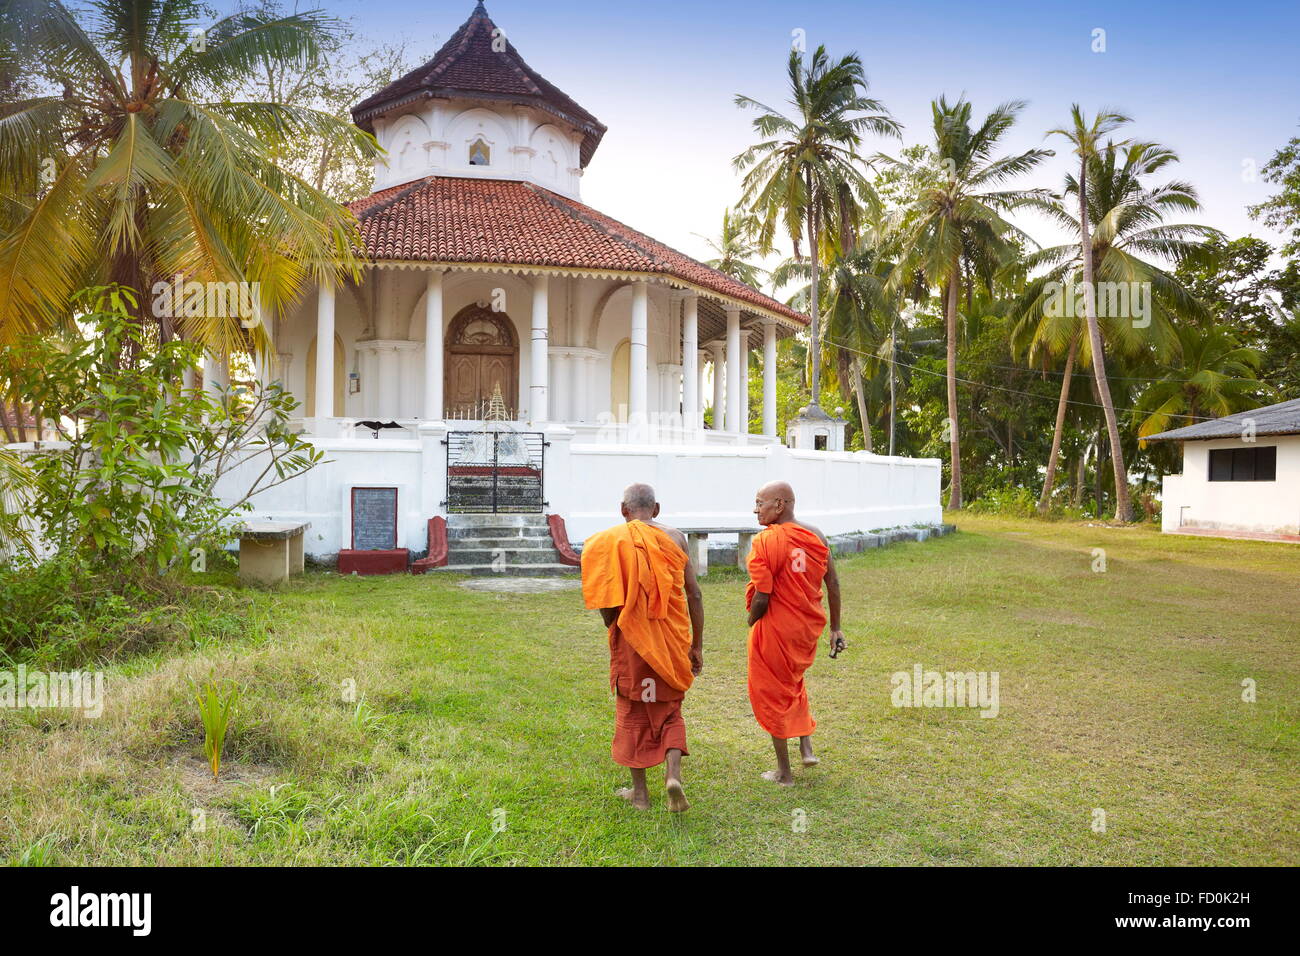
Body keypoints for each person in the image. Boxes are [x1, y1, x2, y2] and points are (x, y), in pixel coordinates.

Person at [581, 483, 704, 810]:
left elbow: (607, 600)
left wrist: (616, 628)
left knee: (634, 711)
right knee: (669, 709)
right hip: (670, 639)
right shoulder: (675, 538)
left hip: (633, 641)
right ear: (657, 509)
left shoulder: (610, 542)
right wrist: (697, 645)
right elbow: (694, 594)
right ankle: (672, 776)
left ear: (623, 510)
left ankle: (640, 795)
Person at [746, 480, 845, 785]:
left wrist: (752, 620)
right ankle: (806, 748)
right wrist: (836, 628)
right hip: (805, 628)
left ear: (780, 504)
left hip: (776, 627)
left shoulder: (766, 541)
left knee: (773, 692)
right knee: (793, 682)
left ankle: (784, 773)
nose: (755, 509)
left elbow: (762, 594)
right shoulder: (815, 534)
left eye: (760, 502)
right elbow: (833, 584)